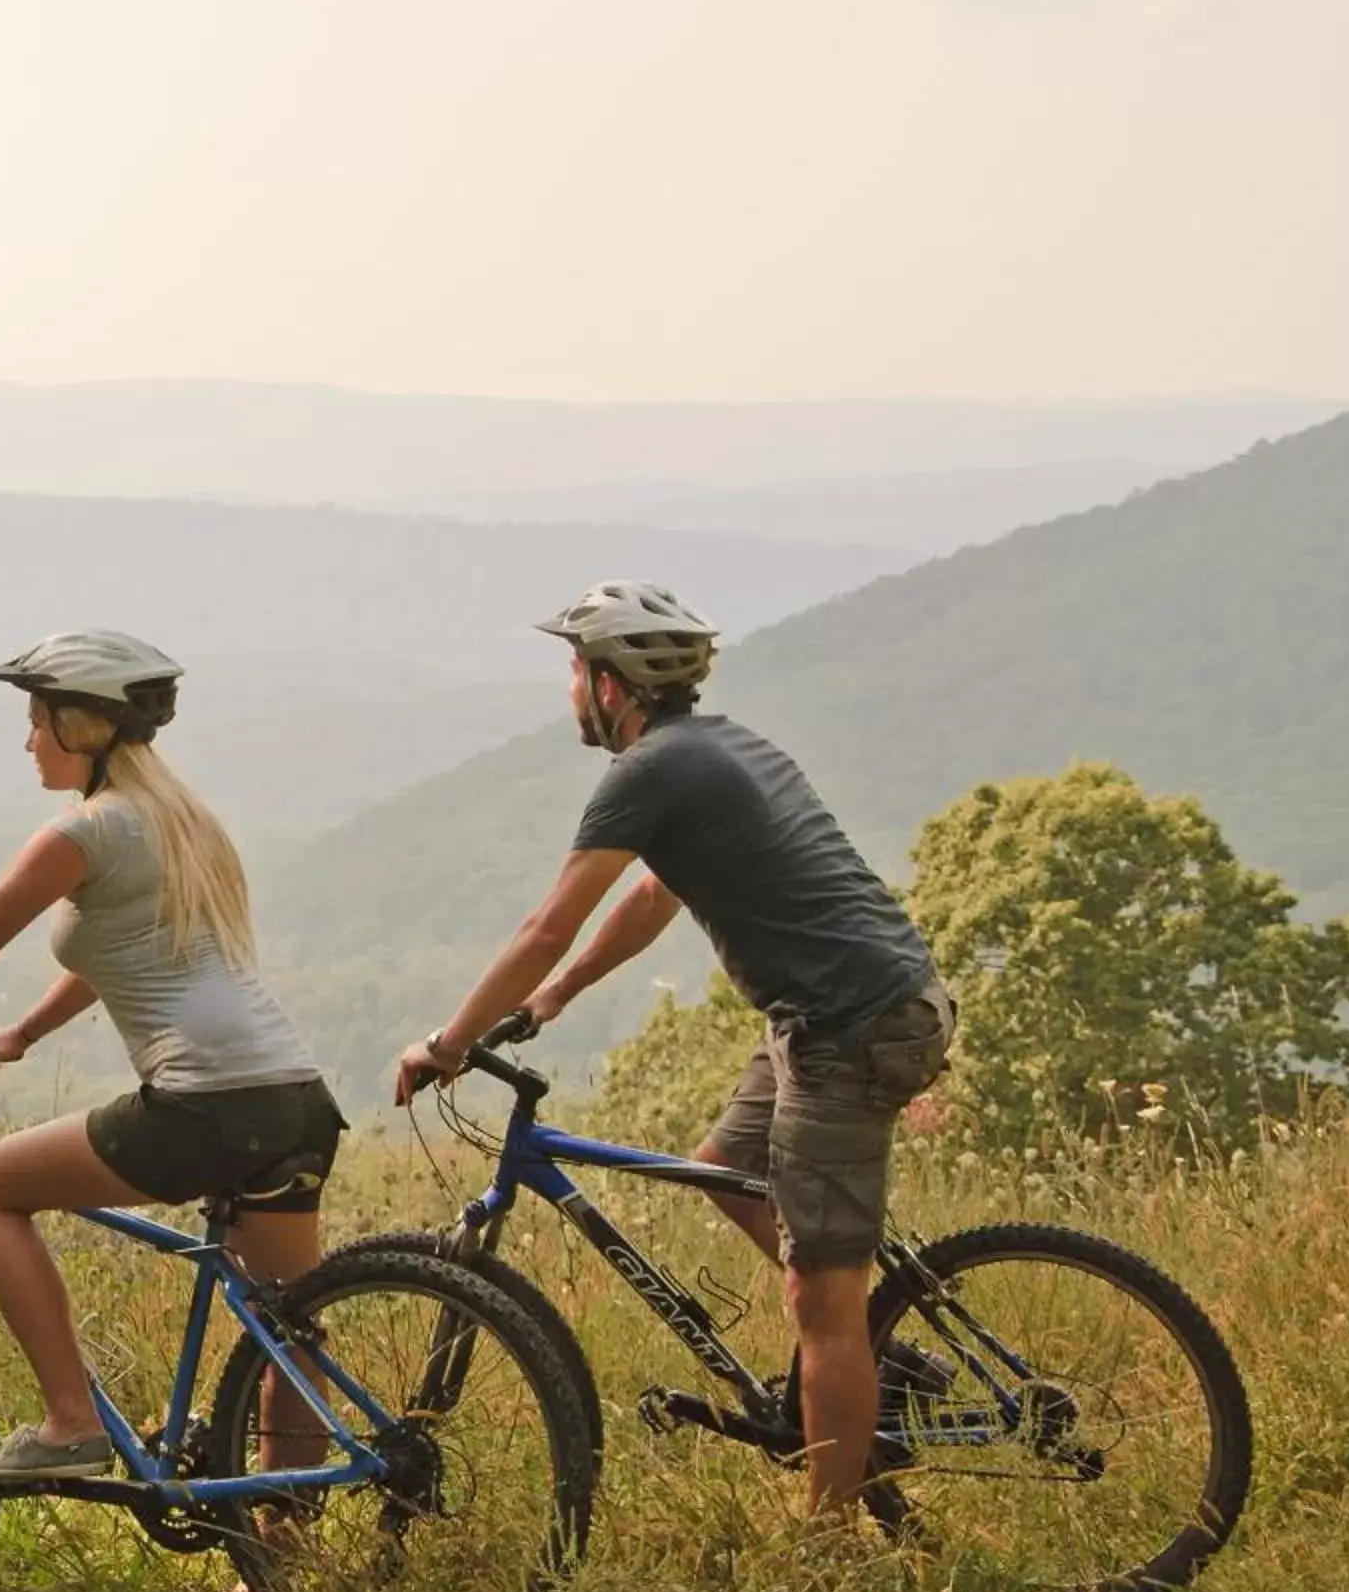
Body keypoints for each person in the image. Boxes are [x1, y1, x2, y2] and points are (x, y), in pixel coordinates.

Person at [393, 581, 956, 1522]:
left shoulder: (648, 772)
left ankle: (828, 1548)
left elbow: (544, 926)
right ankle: (873, 1359)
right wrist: (555, 998)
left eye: (577, 670)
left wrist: (450, 1044)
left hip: (851, 1028)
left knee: (821, 1302)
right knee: (721, 1172)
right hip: (838, 1011)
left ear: (613, 687)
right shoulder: (717, 748)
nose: (571, 688)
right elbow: (654, 896)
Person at [0, 629, 346, 1501]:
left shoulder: (86, 832)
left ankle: (70, 1426)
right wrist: (23, 1034)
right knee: (289, 1330)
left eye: (39, 720)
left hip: (203, 1104)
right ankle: (276, 1561)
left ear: (83, 727)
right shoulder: (181, 821)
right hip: (291, 1097)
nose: (29, 740)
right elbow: (126, 953)